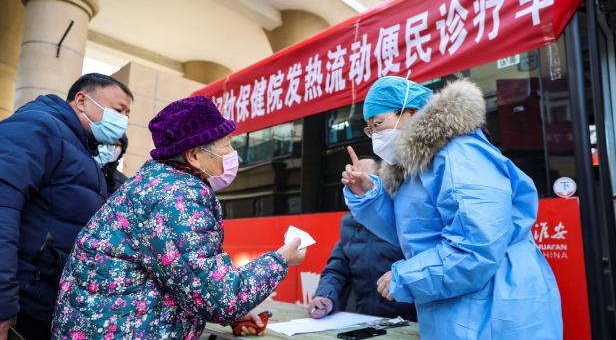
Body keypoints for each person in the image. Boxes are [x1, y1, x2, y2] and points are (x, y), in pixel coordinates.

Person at [51, 96, 307, 339]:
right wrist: (281, 259)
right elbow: (220, 299)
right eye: (227, 144)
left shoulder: (156, 184)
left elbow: (186, 279)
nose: (232, 153)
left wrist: (236, 315)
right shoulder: (177, 199)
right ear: (194, 156)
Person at [341, 76, 562, 339]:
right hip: (460, 305)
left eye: (378, 124)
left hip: (496, 307)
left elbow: (476, 247)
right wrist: (369, 194)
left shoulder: (460, 154)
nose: (376, 135)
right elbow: (412, 234)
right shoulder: (416, 167)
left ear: (410, 113)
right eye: (370, 129)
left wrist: (406, 277)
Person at [0, 73, 132, 340]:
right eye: (119, 110)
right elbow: (4, 206)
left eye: (128, 114)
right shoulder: (39, 127)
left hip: (46, 301)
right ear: (82, 100)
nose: (123, 120)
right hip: (23, 301)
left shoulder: (82, 149)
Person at [309, 158, 416, 321]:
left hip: (407, 323)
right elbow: (336, 270)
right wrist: (325, 297)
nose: (358, 186)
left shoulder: (403, 221)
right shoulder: (349, 224)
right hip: (365, 321)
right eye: (353, 181)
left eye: (364, 180)